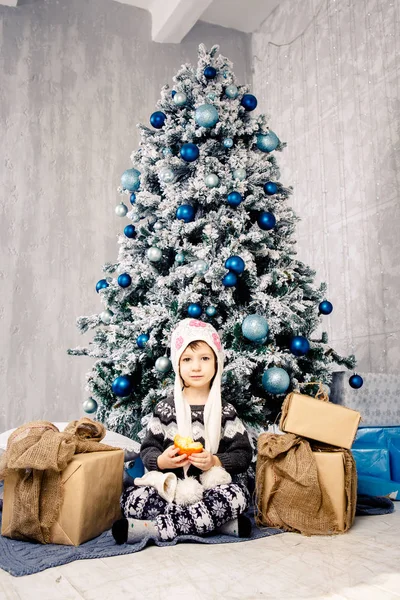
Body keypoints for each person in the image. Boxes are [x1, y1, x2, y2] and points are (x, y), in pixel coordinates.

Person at [112, 318, 253, 544]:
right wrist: (161, 462)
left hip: (210, 490)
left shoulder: (226, 410)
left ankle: (155, 529)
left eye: (205, 358)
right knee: (133, 501)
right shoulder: (165, 408)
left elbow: (243, 455)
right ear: (177, 364)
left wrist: (215, 461)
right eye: (187, 359)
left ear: (217, 363)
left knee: (236, 496)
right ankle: (219, 524)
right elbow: (148, 449)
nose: (196, 367)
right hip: (172, 489)